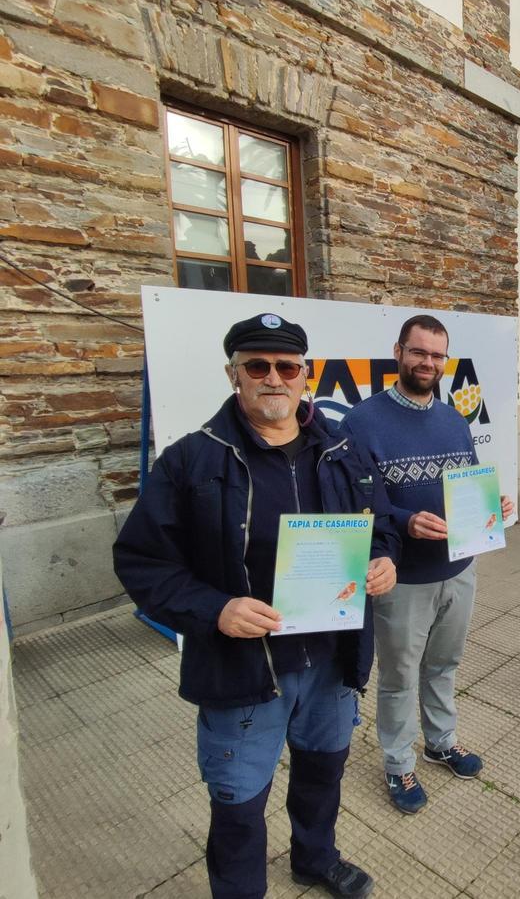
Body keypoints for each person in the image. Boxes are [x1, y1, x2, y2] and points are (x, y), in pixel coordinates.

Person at [113, 313, 398, 899]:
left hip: (331, 659)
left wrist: (383, 560)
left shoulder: (344, 451)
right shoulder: (193, 460)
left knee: (323, 774)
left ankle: (315, 858)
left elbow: (380, 526)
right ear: (233, 375)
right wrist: (215, 609)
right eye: (257, 366)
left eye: (286, 366)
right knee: (239, 803)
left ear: (306, 377)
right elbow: (142, 561)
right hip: (245, 668)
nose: (274, 377)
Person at [340, 314, 513, 815]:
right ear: (398, 352)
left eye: (438, 355)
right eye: (419, 352)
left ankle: (440, 741)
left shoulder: (452, 417)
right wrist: (404, 519)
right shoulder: (362, 422)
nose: (429, 363)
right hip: (403, 578)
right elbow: (355, 500)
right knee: (399, 677)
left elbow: (465, 485)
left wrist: (491, 506)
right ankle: (398, 764)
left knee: (444, 665)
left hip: (458, 569)